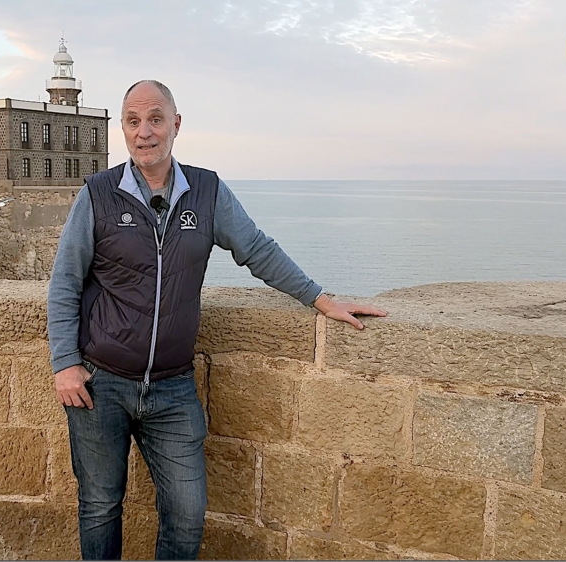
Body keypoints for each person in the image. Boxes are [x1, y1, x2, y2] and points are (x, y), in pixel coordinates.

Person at [47, 80, 386, 560]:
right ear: (122, 129)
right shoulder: (98, 194)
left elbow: (257, 249)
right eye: (133, 121)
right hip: (101, 383)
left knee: (187, 513)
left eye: (155, 119)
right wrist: (65, 362)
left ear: (175, 124)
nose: (145, 132)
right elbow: (65, 280)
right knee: (100, 507)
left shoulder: (206, 191)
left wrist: (319, 298)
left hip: (172, 388)